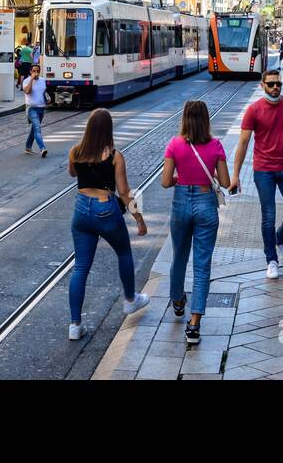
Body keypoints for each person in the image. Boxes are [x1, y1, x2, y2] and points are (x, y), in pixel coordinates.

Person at [67, 108, 149, 339]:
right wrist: (139, 220)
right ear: (108, 130)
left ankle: (75, 325)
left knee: (81, 267)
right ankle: (130, 300)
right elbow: (124, 192)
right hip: (105, 209)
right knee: (124, 252)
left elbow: (73, 174)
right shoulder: (114, 156)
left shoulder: (75, 151)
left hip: (82, 209)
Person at [230, 68, 283, 279]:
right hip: (263, 170)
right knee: (269, 216)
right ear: (262, 85)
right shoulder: (254, 110)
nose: (275, 87)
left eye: (278, 84)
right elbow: (243, 143)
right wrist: (235, 175)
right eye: (271, 84)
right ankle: (271, 259)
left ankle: (280, 239)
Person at [161, 100, 229, 344]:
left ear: (184, 119)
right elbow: (225, 181)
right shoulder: (216, 145)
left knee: (179, 256)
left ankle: (178, 300)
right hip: (205, 204)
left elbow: (166, 181)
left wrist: (182, 176)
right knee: (202, 264)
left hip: (181, 203)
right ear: (206, 120)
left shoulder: (175, 145)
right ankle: (194, 324)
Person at [22, 63, 48, 157]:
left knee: (34, 129)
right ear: (30, 71)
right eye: (34, 71)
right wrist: (32, 79)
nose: (36, 73)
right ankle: (42, 148)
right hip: (31, 108)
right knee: (37, 127)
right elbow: (27, 91)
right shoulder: (26, 81)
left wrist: (47, 99)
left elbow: (44, 92)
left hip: (41, 108)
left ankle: (28, 147)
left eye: (37, 71)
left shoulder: (43, 80)